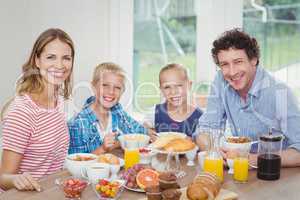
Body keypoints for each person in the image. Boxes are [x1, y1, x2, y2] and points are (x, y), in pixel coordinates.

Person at [195, 28, 300, 167]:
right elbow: (205, 129)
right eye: (224, 64)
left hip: (277, 174)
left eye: (238, 62)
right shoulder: (221, 80)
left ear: (253, 60)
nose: (232, 72)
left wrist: (249, 159)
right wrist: (214, 151)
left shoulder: (280, 92)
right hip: (240, 171)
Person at [0, 28, 75, 191]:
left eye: (66, 58)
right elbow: (3, 178)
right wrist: (17, 179)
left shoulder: (59, 100)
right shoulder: (21, 112)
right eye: (51, 57)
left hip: (50, 191)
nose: (60, 65)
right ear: (37, 60)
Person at [68, 62, 148, 154]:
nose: (111, 92)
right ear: (93, 87)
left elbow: (137, 131)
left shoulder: (117, 110)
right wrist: (103, 149)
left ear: (122, 91)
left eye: (117, 88)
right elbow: (77, 163)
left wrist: (148, 131)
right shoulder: (77, 124)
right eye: (105, 85)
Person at [144, 63, 202, 139]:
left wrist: (194, 142)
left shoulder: (200, 117)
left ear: (189, 85)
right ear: (161, 89)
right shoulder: (154, 112)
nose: (173, 92)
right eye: (167, 87)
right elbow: (144, 128)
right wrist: (148, 132)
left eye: (178, 85)